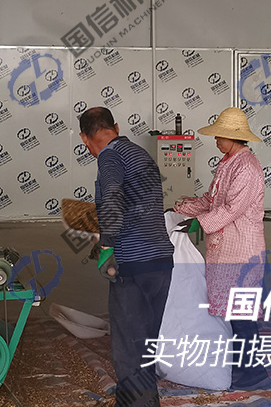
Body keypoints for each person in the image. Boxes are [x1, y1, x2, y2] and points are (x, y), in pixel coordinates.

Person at [79, 107, 174, 407]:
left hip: (133, 264)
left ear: (84, 138)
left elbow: (112, 197)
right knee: (146, 341)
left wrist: (107, 246)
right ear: (116, 127)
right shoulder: (139, 153)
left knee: (129, 347)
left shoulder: (109, 156)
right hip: (160, 261)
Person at [173, 107, 268, 389]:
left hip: (242, 248)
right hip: (225, 247)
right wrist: (183, 208)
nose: (215, 140)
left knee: (241, 312)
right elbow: (212, 200)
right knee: (230, 310)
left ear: (232, 137)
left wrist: (197, 223)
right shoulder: (228, 162)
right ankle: (241, 363)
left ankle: (254, 371)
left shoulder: (247, 167)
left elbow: (231, 209)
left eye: (219, 135)